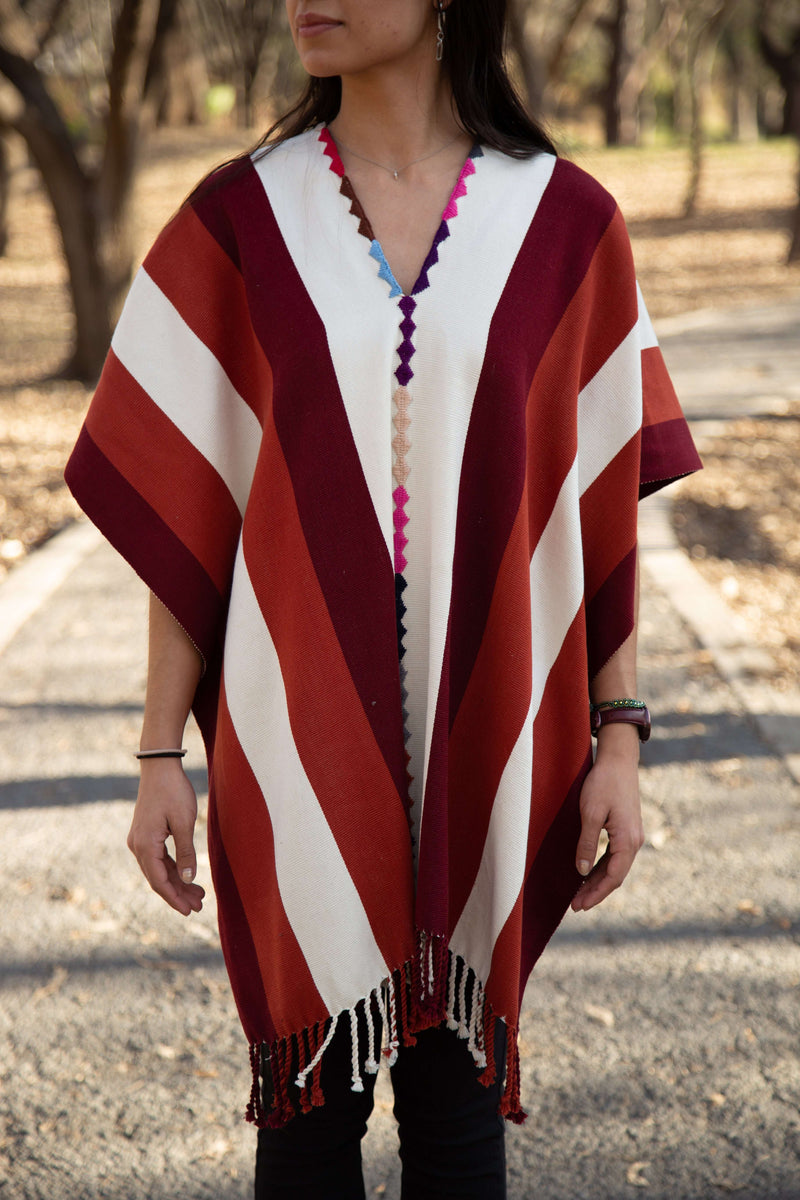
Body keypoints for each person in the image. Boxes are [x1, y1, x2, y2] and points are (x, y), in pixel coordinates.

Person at [65, 1, 701, 1196]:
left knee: (460, 1134)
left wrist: (618, 736)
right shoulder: (237, 222)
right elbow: (189, 515)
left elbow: (597, 513)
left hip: (489, 752)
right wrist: (160, 752)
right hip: (294, 751)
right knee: (302, 1133)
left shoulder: (566, 227)